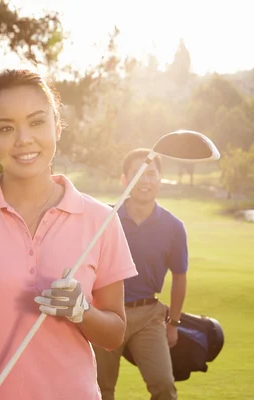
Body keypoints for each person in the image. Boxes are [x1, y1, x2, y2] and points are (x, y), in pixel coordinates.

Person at [0, 69, 138, 400]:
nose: (23, 139)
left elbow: (114, 333)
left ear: (57, 125)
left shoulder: (101, 221)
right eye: (6, 128)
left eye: (36, 122)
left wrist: (82, 311)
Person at [94, 148, 189, 400]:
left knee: (164, 386)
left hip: (148, 316)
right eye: (136, 174)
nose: (144, 181)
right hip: (105, 313)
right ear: (124, 180)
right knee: (100, 389)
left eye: (150, 174)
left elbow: (179, 277)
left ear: (159, 179)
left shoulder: (174, 227)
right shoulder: (104, 218)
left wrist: (174, 324)